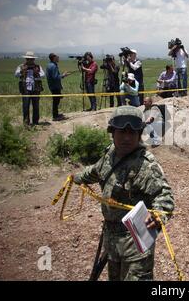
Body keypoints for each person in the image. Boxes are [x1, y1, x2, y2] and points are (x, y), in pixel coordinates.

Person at [73, 106, 174, 281]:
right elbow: (95, 172)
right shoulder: (110, 154)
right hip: (112, 240)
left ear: (139, 134)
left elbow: (164, 196)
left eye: (132, 133)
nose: (127, 138)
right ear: (112, 132)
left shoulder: (145, 165)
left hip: (136, 243)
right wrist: (76, 178)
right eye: (122, 132)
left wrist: (157, 215)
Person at [15, 51, 45, 126]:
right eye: (28, 59)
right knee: (25, 106)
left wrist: (36, 73)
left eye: (31, 59)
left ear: (34, 60)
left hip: (36, 89)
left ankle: (35, 122)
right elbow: (16, 75)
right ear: (26, 59)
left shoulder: (38, 67)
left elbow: (43, 75)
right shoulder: (21, 66)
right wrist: (22, 71)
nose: (30, 60)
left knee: (36, 106)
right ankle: (26, 123)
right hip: (25, 89)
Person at [46, 53, 70, 121]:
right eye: (57, 56)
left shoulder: (49, 65)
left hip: (53, 85)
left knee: (56, 100)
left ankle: (56, 114)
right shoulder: (53, 66)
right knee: (56, 101)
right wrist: (63, 75)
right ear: (54, 58)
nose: (58, 57)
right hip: (55, 86)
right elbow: (55, 77)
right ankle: (55, 116)